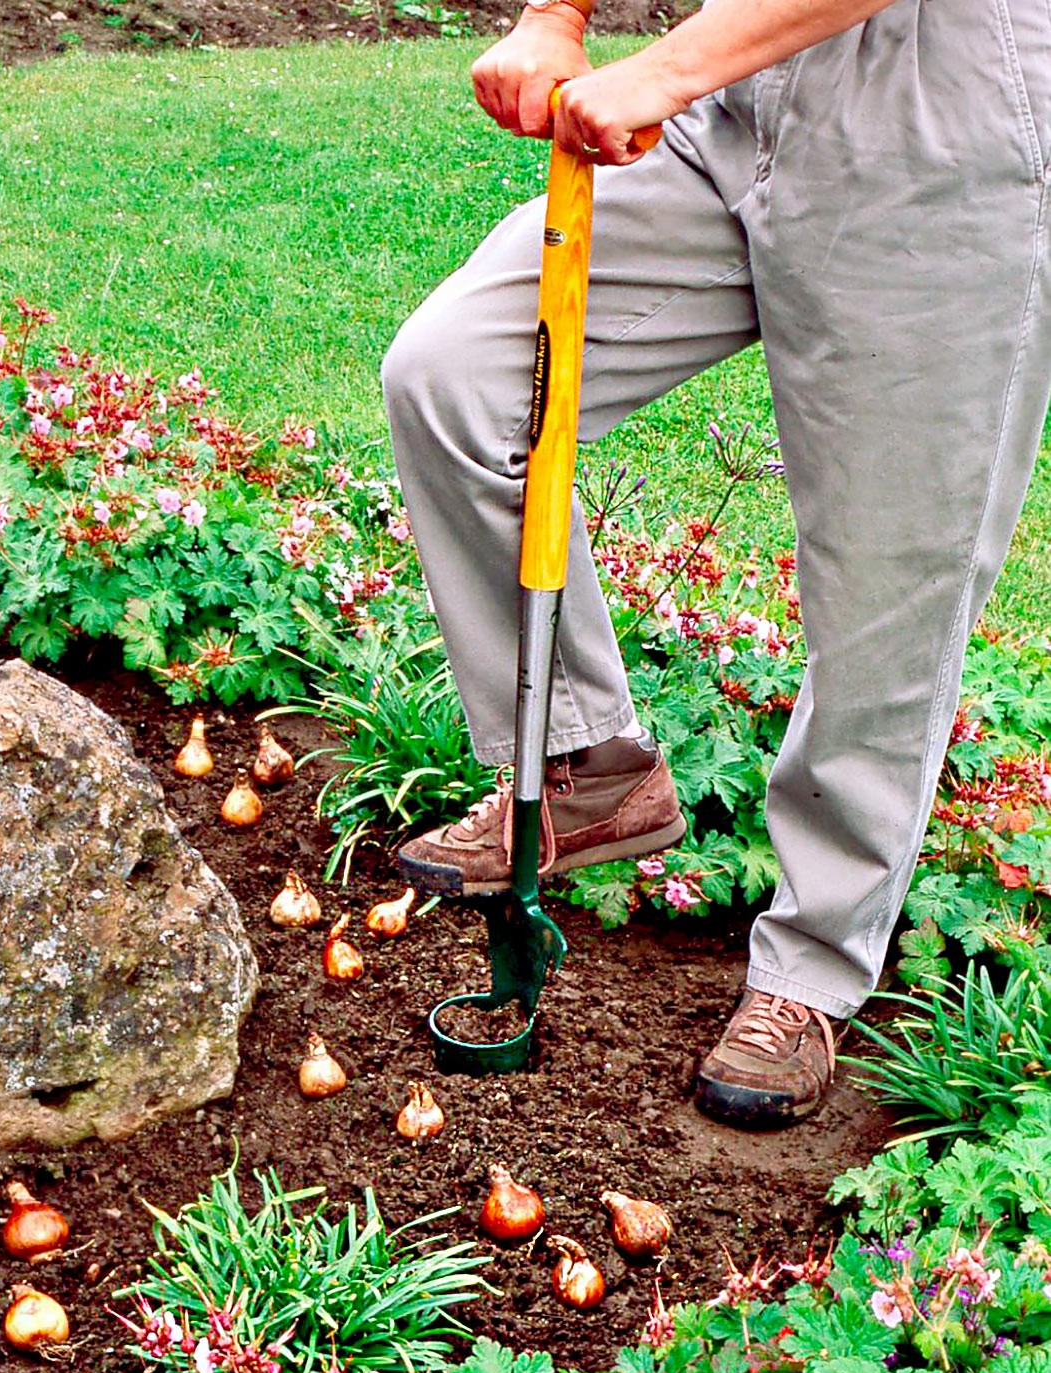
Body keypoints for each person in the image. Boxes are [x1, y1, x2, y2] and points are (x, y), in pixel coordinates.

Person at [383, 0, 1051, 1127]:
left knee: (886, 577)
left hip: (939, 123)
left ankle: (809, 966)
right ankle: (584, 763)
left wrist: (664, 68)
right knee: (455, 378)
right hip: (740, 94)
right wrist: (557, 17)